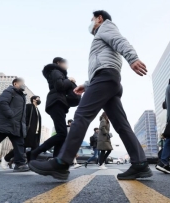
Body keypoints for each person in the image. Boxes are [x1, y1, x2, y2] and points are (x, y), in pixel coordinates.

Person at [29, 10, 152, 181]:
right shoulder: (101, 36)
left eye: (92, 19)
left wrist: (132, 58)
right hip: (109, 80)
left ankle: (61, 163)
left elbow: (119, 41)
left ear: (99, 18)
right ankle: (140, 164)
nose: (91, 22)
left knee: (81, 116)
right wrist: (87, 85)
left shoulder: (106, 27)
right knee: (121, 125)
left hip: (105, 78)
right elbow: (105, 60)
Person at [27, 57, 76, 161]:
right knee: (62, 133)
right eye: (64, 63)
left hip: (59, 103)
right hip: (56, 102)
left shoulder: (58, 73)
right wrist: (69, 80)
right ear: (58, 63)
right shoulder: (55, 71)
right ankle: (35, 152)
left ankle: (56, 159)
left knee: (61, 134)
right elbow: (60, 85)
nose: (66, 65)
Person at [1, 95, 42, 169]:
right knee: (21, 147)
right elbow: (24, 118)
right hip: (28, 132)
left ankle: (31, 164)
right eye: (38, 98)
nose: (39, 100)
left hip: (36, 133)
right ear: (33, 100)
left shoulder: (37, 110)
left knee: (35, 149)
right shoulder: (29, 106)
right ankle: (6, 158)